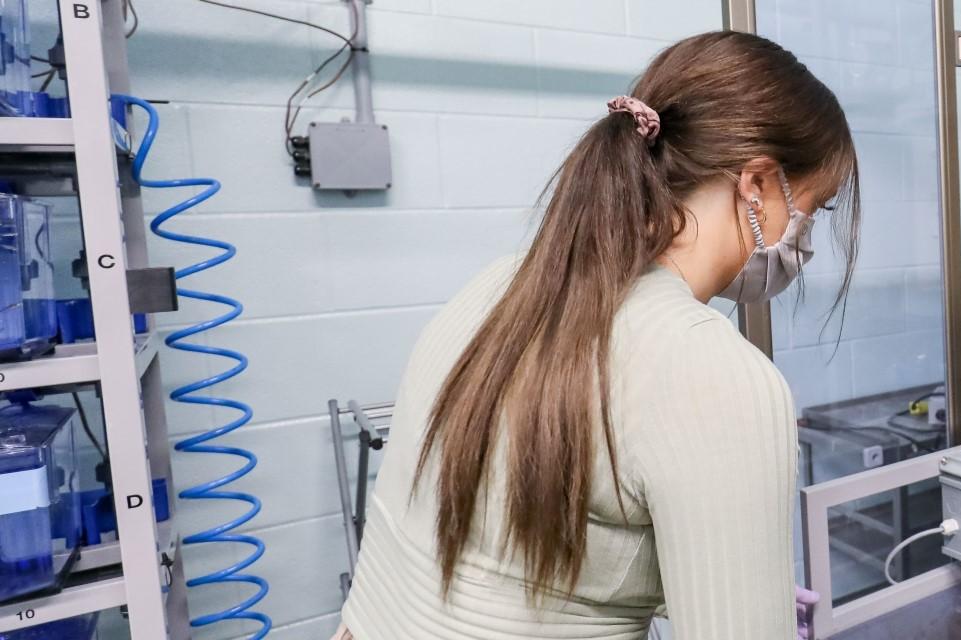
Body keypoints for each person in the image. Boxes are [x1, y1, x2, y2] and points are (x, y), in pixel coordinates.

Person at [336, 31, 859, 639]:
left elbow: (508, 556)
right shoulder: (714, 372)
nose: (807, 238)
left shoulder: (499, 286)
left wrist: (699, 580)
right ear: (759, 184)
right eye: (814, 209)